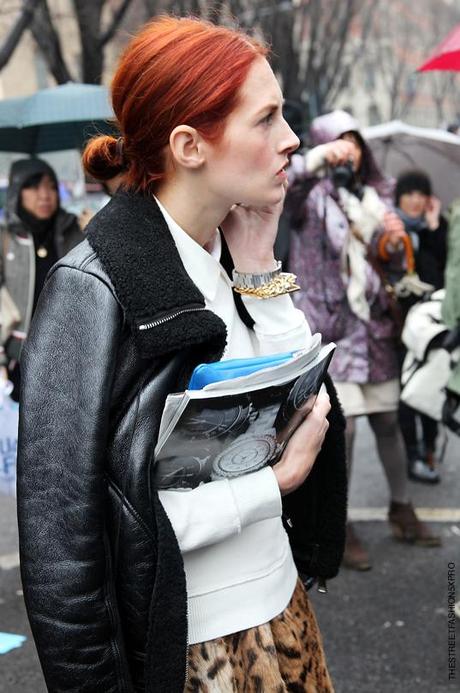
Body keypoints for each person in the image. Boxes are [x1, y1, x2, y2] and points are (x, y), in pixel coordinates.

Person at [17, 17, 347, 692]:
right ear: (190, 144)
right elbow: (71, 549)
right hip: (193, 650)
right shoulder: (92, 287)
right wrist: (268, 485)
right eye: (267, 119)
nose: (290, 140)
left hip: (285, 613)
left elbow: (308, 410)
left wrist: (260, 267)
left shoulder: (233, 248)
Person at [288, 110, 441, 572]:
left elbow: (396, 269)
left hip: (374, 331)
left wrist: (399, 244)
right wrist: (316, 160)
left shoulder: (375, 199)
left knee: (389, 422)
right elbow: (289, 184)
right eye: (340, 142)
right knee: (345, 429)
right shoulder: (306, 198)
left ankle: (401, 508)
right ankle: (342, 521)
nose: (348, 152)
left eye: (354, 143)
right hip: (330, 330)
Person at [0, 158, 82, 399]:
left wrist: (94, 232)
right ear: (17, 192)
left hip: (70, 360)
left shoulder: (74, 232)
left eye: (51, 186)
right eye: (34, 187)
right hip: (18, 362)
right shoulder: (6, 239)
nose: (45, 195)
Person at [394, 170, 448, 483]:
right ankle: (412, 452)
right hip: (400, 325)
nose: (415, 200)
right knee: (405, 392)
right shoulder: (391, 231)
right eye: (409, 193)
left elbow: (441, 272)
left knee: (430, 385)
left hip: (432, 324)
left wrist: (433, 227)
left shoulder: (437, 228)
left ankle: (428, 448)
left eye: (421, 193)